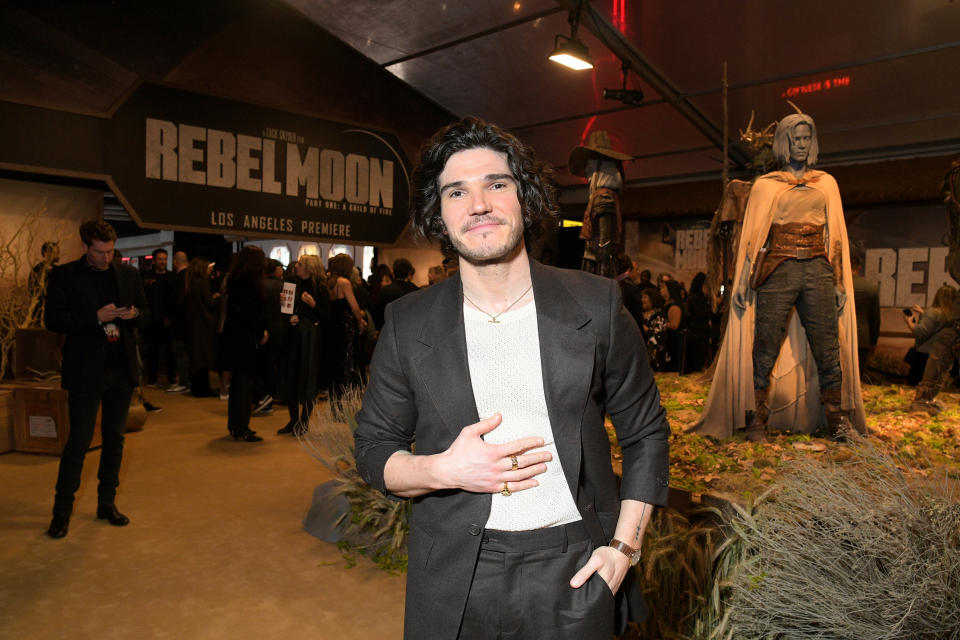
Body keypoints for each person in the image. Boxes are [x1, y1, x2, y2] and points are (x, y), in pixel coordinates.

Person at [353, 117, 669, 640]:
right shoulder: (409, 322)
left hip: (576, 565)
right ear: (440, 213)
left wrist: (623, 550)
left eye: (496, 184)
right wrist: (444, 470)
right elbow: (373, 452)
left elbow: (645, 433)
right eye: (457, 192)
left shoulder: (597, 305)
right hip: (456, 571)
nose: (478, 204)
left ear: (524, 198)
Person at [693, 111, 866, 441]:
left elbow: (835, 236)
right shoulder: (766, 185)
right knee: (765, 345)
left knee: (828, 347)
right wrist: (743, 281)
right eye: (795, 138)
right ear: (785, 142)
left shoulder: (826, 183)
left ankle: (838, 422)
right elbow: (754, 238)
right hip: (777, 268)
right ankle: (755, 419)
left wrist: (840, 282)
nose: (801, 145)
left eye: (806, 138)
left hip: (818, 267)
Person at [44, 220, 148, 539]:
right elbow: (53, 320)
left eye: (111, 251)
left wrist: (135, 315)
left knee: (115, 440)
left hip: (120, 368)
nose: (106, 257)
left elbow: (147, 310)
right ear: (85, 247)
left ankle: (107, 504)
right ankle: (61, 512)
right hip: (86, 370)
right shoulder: (64, 276)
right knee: (79, 441)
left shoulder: (128, 274)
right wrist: (95, 318)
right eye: (100, 251)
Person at [278, 254, 329, 434]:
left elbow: (326, 316)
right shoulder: (290, 283)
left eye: (300, 263)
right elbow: (284, 309)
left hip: (310, 337)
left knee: (308, 376)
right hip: (292, 336)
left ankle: (304, 422)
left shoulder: (320, 287)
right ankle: (293, 420)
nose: (296, 266)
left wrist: (313, 304)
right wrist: (289, 317)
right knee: (291, 374)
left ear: (308, 267)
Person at [222, 246, 268, 442]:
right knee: (244, 384)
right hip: (245, 338)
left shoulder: (234, 279)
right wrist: (260, 333)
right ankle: (242, 427)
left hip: (233, 336)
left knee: (237, 384)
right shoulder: (251, 282)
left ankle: (235, 425)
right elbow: (252, 314)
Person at [907, 285, 957, 414]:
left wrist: (909, 322)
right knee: (937, 380)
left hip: (924, 354)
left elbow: (920, 332)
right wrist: (924, 313)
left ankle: (920, 404)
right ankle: (930, 401)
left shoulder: (933, 312)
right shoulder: (951, 315)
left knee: (921, 383)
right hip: (943, 355)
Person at [327, 253, 367, 404]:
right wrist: (360, 320)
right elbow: (354, 307)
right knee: (348, 362)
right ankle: (346, 400)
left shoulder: (330, 281)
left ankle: (335, 401)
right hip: (345, 327)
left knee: (336, 363)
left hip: (334, 326)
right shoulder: (344, 282)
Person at [184, 257, 219, 397]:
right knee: (203, 359)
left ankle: (197, 388)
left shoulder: (190, 282)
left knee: (196, 359)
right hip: (203, 325)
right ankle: (203, 390)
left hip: (193, 325)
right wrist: (218, 298)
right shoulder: (202, 283)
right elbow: (209, 303)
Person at [141, 248, 173, 387]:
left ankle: (171, 378)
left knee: (169, 351)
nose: (163, 262)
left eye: (165, 259)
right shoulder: (146, 277)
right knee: (152, 350)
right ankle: (152, 379)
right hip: (152, 320)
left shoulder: (171, 277)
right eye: (160, 259)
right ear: (154, 260)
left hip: (167, 320)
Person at [850, 253, 880, 381]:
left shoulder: (835, 286)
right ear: (859, 267)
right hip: (862, 338)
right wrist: (873, 342)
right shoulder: (871, 288)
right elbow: (875, 319)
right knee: (858, 376)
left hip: (840, 337)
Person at [167, 251, 191, 393]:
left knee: (181, 354)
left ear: (175, 261)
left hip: (179, 323)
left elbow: (175, 302)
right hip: (188, 322)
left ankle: (184, 381)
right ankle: (187, 380)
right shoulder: (191, 277)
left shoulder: (178, 278)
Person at [28, 241, 60, 325]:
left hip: (56, 311)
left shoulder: (59, 271)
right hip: (40, 311)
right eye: (54, 252)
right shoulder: (37, 270)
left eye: (58, 252)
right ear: (45, 253)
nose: (57, 255)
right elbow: (32, 290)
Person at [684, 272, 711, 373]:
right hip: (697, 334)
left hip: (697, 332)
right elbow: (700, 315)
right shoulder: (697, 298)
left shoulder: (694, 297)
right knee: (696, 362)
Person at [640, 288, 667, 371]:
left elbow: (657, 334)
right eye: (641, 297)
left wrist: (643, 327)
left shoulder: (658, 314)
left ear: (652, 299)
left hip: (655, 353)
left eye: (645, 297)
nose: (642, 300)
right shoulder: (640, 314)